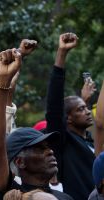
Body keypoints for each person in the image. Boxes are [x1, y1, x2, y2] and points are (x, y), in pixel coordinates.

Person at [0, 45, 73, 199]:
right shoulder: (8, 191)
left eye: (48, 147)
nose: (50, 151)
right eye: (40, 149)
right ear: (20, 162)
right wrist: (2, 81)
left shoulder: (65, 197)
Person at [45, 33, 104, 200]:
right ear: (68, 118)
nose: (87, 111)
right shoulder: (63, 142)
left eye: (86, 108)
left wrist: (83, 99)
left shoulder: (91, 141)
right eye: (81, 109)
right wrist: (62, 54)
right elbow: (54, 107)